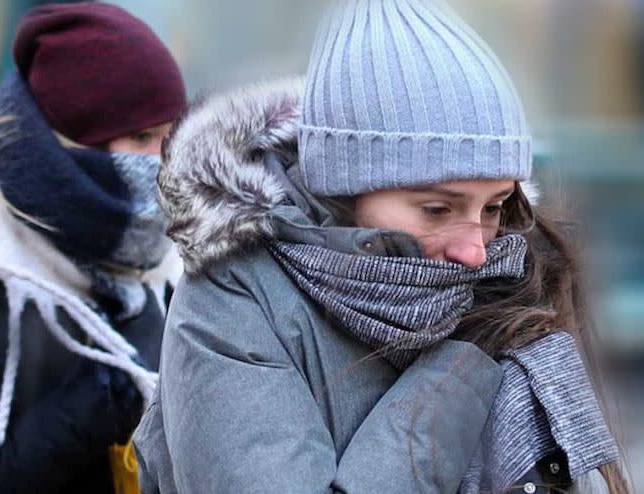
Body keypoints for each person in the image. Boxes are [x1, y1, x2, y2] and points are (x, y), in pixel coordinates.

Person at [133, 0, 629, 492]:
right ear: (346, 189)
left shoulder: (507, 280)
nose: (476, 251)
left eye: (494, 207)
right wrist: (459, 370)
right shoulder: (231, 300)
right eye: (437, 210)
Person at [0, 3, 186, 493]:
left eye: (171, 136)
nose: (163, 160)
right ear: (66, 147)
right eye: (142, 136)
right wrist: (106, 396)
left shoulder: (151, 260)